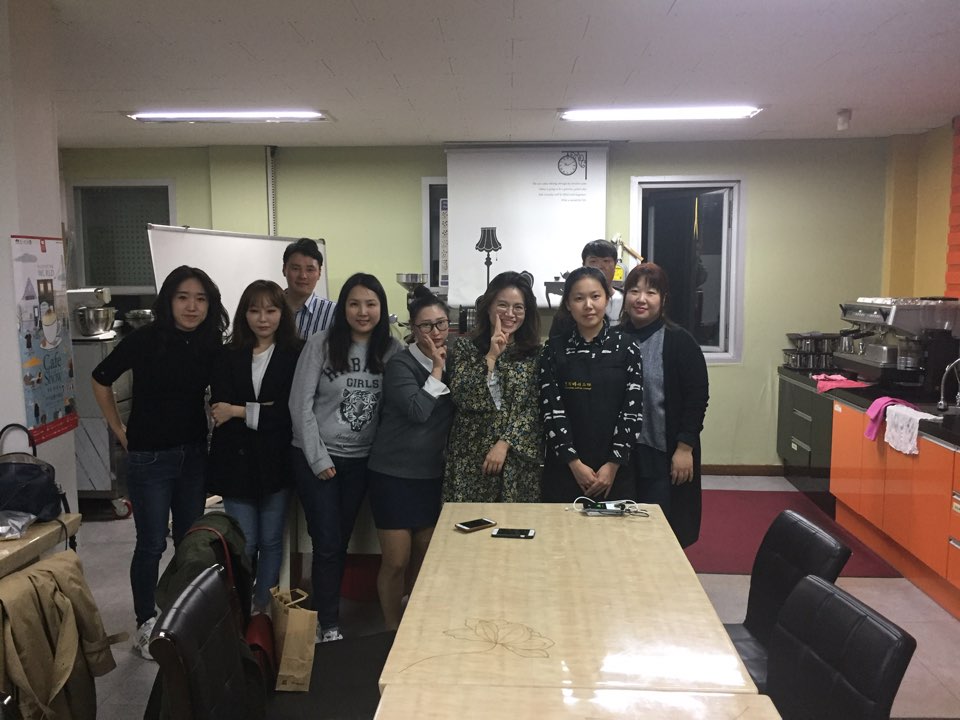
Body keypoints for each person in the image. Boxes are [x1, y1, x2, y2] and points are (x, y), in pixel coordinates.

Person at [91, 265, 229, 660]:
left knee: (189, 541)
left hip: (193, 455)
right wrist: (119, 429)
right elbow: (100, 378)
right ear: (169, 301)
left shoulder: (210, 342)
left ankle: (182, 615)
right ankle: (145, 622)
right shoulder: (146, 339)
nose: (192, 306)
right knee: (151, 543)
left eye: (200, 299)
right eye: (183, 297)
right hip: (149, 457)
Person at [289, 273, 402, 642]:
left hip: (362, 462)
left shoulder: (391, 349)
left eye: (371, 304)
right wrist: (318, 459)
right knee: (327, 541)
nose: (363, 311)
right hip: (319, 458)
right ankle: (328, 624)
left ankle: (328, 615)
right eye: (354, 304)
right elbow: (299, 404)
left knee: (341, 538)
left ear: (382, 308)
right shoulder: (321, 344)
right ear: (343, 308)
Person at [207, 280, 303, 614]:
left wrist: (238, 411)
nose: (263, 318)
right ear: (244, 314)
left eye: (271, 310)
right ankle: (239, 611)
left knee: (272, 540)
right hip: (236, 462)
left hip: (277, 462)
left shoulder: (296, 354)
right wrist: (261, 411)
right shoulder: (227, 354)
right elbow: (218, 408)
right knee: (244, 542)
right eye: (254, 310)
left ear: (282, 314)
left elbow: (288, 413)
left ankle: (262, 610)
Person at [367, 287, 455, 629]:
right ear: (413, 329)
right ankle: (390, 632)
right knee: (396, 560)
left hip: (431, 474)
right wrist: (437, 368)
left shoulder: (456, 359)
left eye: (441, 323)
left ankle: (413, 626)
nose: (435, 332)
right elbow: (419, 411)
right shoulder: (400, 364)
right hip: (392, 475)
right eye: (426, 326)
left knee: (426, 553)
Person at [619, 263, 709, 548]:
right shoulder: (613, 339)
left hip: (662, 453)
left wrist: (685, 447)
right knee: (622, 529)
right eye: (634, 291)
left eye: (651, 292)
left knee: (661, 533)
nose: (641, 299)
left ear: (663, 299)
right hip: (621, 457)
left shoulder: (679, 341)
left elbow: (697, 398)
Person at [540, 266, 643, 503]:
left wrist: (613, 464)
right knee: (562, 526)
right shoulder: (554, 349)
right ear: (568, 304)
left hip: (615, 470)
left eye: (595, 296)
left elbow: (633, 409)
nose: (588, 305)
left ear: (607, 298)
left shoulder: (627, 347)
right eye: (579, 298)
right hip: (565, 467)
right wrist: (573, 462)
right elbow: (551, 410)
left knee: (613, 527)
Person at [444, 271, 542, 503]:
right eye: (502, 305)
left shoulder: (536, 355)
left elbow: (534, 408)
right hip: (471, 460)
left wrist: (504, 443)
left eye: (518, 307)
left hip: (517, 463)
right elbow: (464, 396)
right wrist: (491, 356)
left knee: (515, 524)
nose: (510, 314)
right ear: (488, 308)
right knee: (469, 524)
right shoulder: (465, 349)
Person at [549, 239, 623, 338]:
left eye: (606, 261)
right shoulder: (571, 305)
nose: (600, 266)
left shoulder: (627, 300)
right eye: (593, 261)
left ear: (615, 265)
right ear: (583, 265)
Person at [282, 237, 335, 338]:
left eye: (310, 270)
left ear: (319, 273)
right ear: (284, 269)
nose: (303, 276)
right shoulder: (270, 308)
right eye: (296, 268)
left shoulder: (333, 313)